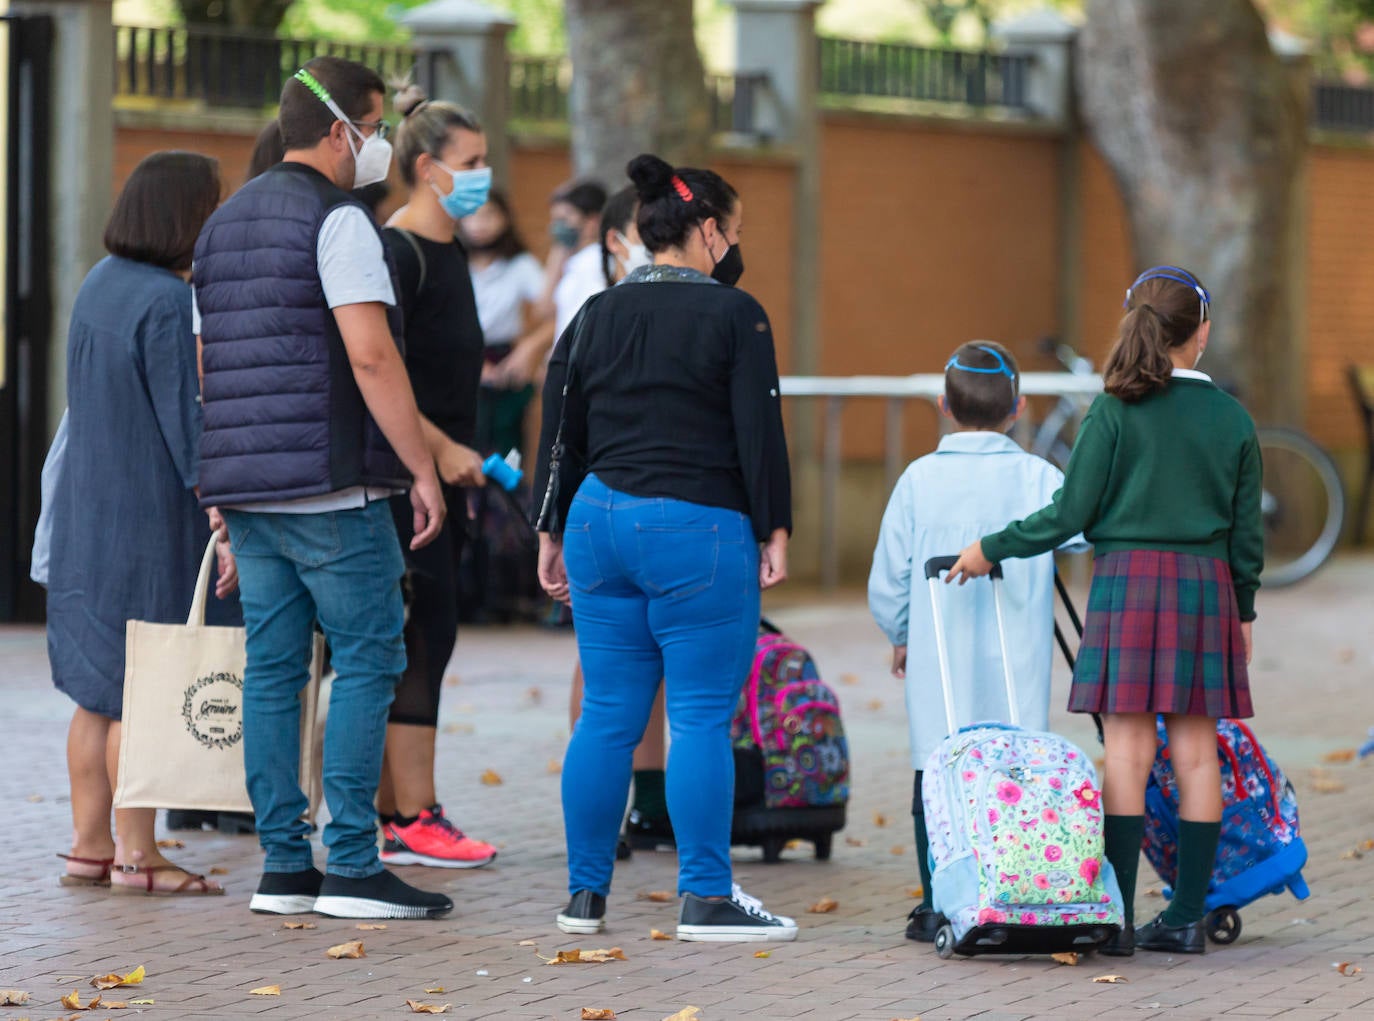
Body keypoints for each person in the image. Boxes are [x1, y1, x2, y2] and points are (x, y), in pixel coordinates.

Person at [194, 56, 452, 920]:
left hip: (250, 489)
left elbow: (210, 367)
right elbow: (371, 354)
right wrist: (420, 466)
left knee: (273, 671)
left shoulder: (220, 225)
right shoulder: (340, 222)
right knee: (371, 657)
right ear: (341, 130)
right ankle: (350, 862)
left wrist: (221, 498)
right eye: (376, 128)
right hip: (333, 484)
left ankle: (283, 864)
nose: (378, 145)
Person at [946, 266, 1262, 957]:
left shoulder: (1114, 410)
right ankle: (1184, 917)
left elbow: (1070, 513)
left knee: (1125, 750)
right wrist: (1242, 608)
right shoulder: (1233, 418)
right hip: (1204, 591)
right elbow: (1247, 534)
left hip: (1127, 586)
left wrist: (989, 547)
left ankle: (1114, 916)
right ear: (1200, 334)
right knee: (1197, 755)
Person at [534, 153, 795, 942]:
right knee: (700, 718)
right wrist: (774, 528)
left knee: (607, 716)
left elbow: (559, 429)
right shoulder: (735, 314)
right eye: (734, 230)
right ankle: (706, 896)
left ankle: (584, 898)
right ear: (707, 231)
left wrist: (548, 529)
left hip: (596, 521)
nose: (736, 245)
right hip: (698, 530)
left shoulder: (593, 313)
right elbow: (760, 430)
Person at [46, 150, 231, 895]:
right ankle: (137, 854)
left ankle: (89, 847)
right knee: (145, 690)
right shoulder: (163, 300)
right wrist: (221, 507)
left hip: (87, 514)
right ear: (186, 213)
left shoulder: (100, 283)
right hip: (148, 524)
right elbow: (186, 429)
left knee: (95, 693)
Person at [867, 341, 1085, 943]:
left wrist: (901, 634)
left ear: (943, 405)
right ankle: (1018, 884)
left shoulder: (918, 481)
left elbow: (888, 579)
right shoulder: (1039, 477)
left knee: (932, 767)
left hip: (939, 655)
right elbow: (1080, 534)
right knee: (1016, 767)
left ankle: (935, 901)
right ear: (1017, 409)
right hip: (1018, 657)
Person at [372, 82, 498, 870]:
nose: (485, 175)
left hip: (444, 479)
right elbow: (377, 370)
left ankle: (396, 812)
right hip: (402, 479)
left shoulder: (452, 251)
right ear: (428, 168)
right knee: (421, 631)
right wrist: (438, 449)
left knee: (432, 631)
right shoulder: (399, 252)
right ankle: (414, 813)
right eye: (472, 162)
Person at [462, 189, 551, 459]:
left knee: (508, 445)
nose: (480, 223)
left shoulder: (520, 264)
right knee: (468, 444)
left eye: (489, 214)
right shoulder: (454, 261)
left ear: (504, 218)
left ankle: (507, 500)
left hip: (506, 365)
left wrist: (528, 350)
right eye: (472, 215)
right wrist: (474, 364)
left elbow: (556, 312)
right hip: (462, 363)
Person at [548, 179, 608, 342]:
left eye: (565, 217)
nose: (558, 226)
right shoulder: (577, 261)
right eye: (555, 219)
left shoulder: (593, 261)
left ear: (592, 220)